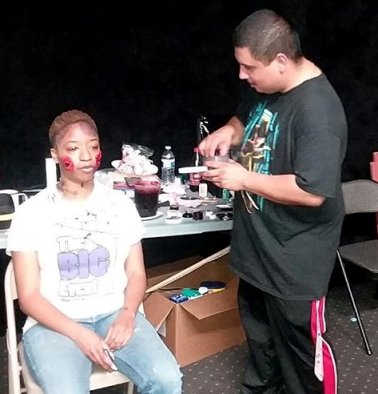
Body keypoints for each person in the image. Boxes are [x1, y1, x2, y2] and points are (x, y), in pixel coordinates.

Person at [199, 9, 347, 394]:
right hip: (258, 252)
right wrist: (228, 132)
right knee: (262, 352)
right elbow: (247, 117)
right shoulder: (269, 87)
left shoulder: (319, 113)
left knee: (300, 364)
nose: (242, 75)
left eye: (249, 68)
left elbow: (312, 192)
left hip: (293, 264)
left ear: (280, 61)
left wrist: (243, 178)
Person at [6, 109, 182, 394]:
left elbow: (136, 273)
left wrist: (127, 315)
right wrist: (80, 334)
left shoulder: (120, 205)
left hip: (113, 313)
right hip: (54, 323)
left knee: (166, 379)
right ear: (55, 154)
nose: (87, 156)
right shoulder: (31, 213)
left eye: (94, 146)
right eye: (73, 149)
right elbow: (28, 297)